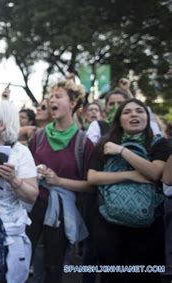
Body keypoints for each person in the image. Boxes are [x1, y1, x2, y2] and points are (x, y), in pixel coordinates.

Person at [87, 99, 169, 283]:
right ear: (119, 120)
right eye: (127, 112)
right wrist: (131, 175)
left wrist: (123, 151)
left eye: (139, 111)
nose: (134, 114)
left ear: (147, 118)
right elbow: (92, 177)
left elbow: (155, 173)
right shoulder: (104, 144)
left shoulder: (159, 144)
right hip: (109, 224)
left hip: (148, 227)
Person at [26, 80, 95, 283]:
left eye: (58, 96)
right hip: (34, 205)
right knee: (24, 256)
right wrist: (35, 172)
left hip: (63, 212)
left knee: (53, 266)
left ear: (73, 103)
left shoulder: (84, 143)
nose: (51, 100)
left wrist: (58, 181)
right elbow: (26, 170)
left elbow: (90, 185)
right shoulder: (38, 137)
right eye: (51, 96)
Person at [0, 100, 38, 282]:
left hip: (8, 233)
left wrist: (14, 180)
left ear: (1, 125)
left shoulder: (20, 152)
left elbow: (32, 196)